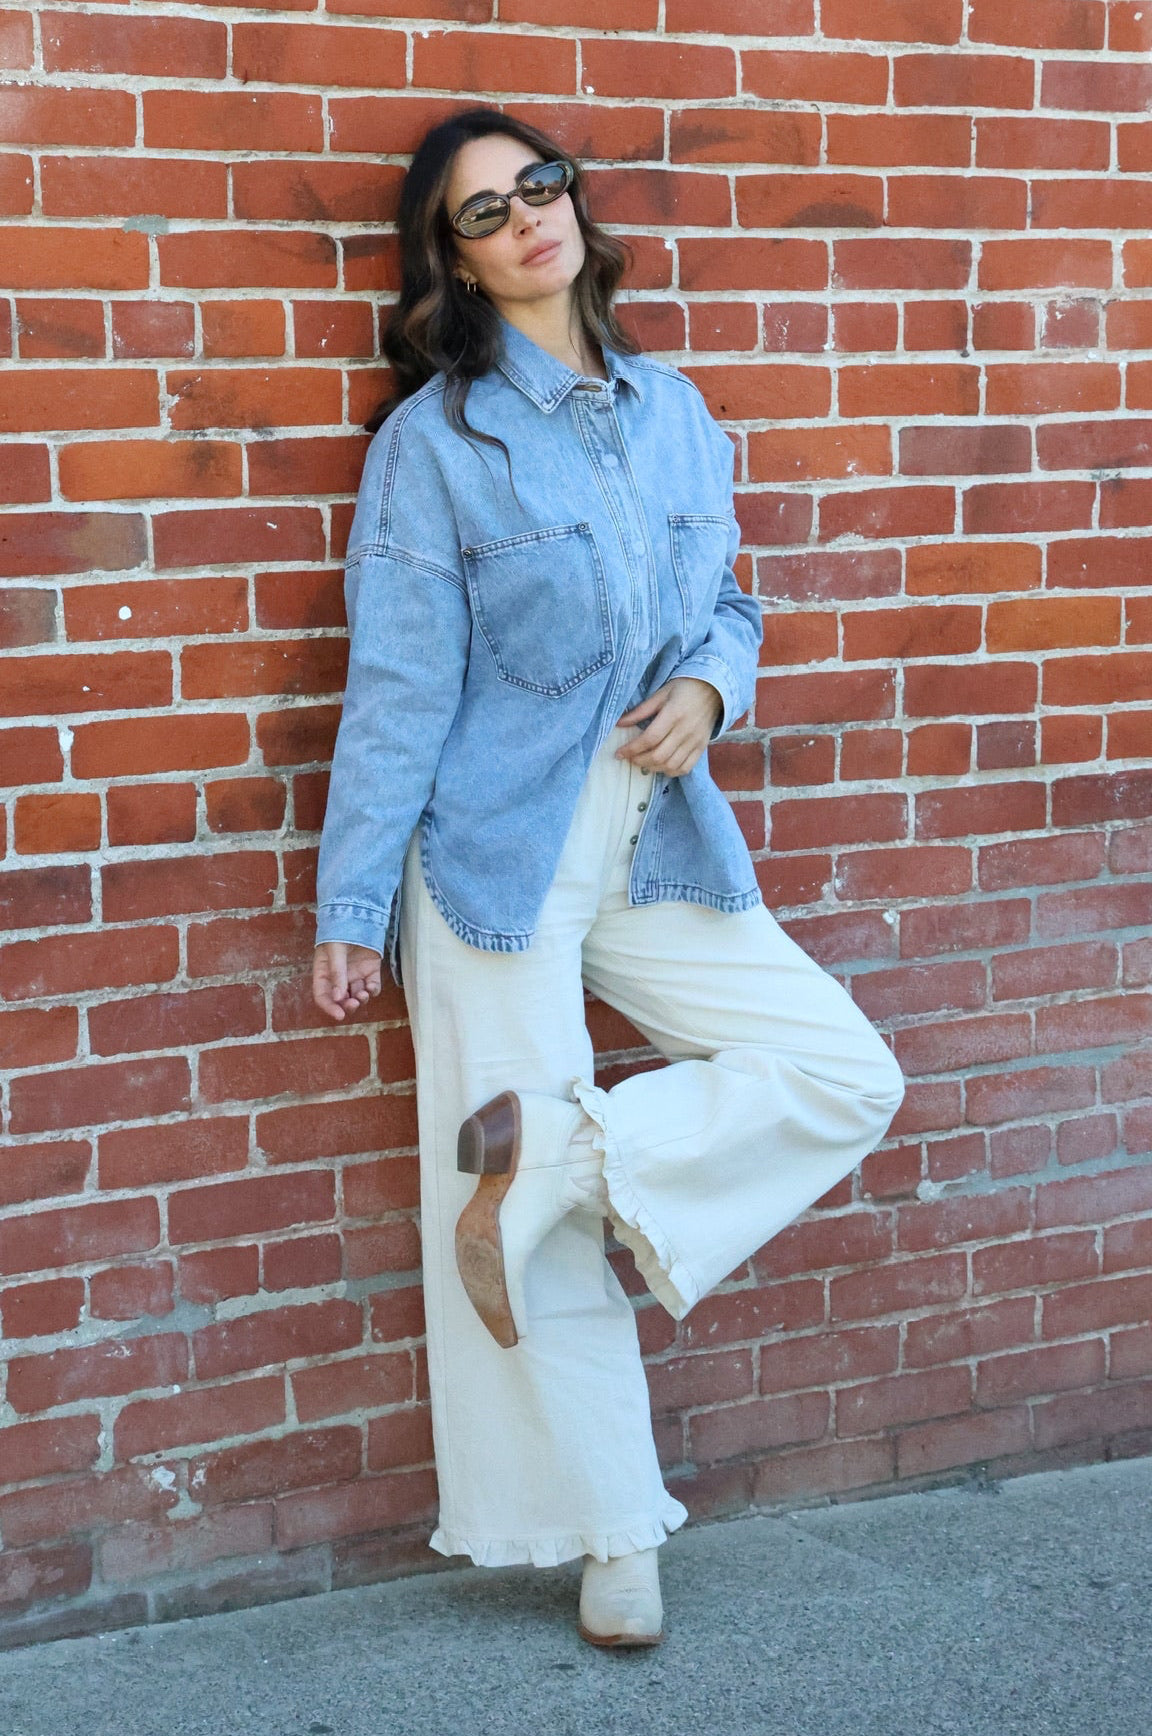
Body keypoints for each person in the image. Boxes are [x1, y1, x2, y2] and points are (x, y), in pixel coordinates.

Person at [311, 106, 906, 1648]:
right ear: (447, 261)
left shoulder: (675, 409)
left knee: (844, 1071)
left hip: (663, 826)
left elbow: (725, 602)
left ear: (578, 204)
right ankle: (608, 1536)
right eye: (482, 211)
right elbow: (395, 691)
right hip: (493, 850)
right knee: (529, 1250)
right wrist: (351, 904)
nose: (526, 220)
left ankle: (561, 1160)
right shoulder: (433, 447)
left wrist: (714, 688)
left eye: (541, 186)